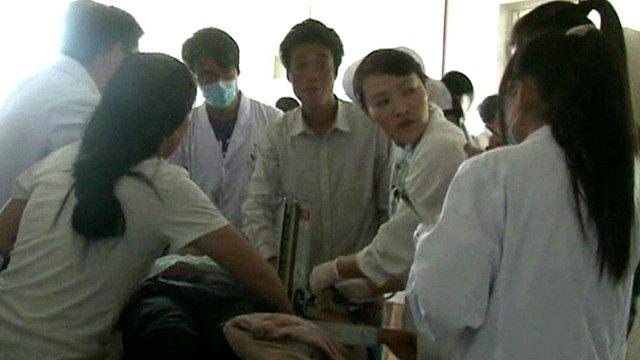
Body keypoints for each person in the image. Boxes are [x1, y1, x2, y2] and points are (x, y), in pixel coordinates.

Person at [0, 53, 291, 359]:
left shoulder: (60, 160)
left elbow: (4, 237)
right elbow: (257, 274)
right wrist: (296, 323)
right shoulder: (163, 182)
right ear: (175, 125)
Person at [405, 1, 639, 358]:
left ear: (522, 91)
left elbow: (444, 307)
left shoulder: (496, 174)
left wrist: (429, 238)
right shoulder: (621, 187)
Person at [308, 49, 467, 300]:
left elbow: (400, 241)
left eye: (409, 90)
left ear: (426, 89)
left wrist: (333, 270)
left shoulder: (441, 147)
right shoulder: (407, 146)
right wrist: (372, 285)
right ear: (367, 113)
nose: (401, 108)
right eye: (383, 102)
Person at [242, 19, 391, 269]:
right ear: (289, 75)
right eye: (301, 66)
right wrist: (272, 262)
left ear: (335, 70)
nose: (312, 76)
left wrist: (379, 271)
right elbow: (257, 206)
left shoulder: (371, 130)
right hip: (296, 281)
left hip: (360, 278)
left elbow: (389, 206)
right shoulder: (277, 135)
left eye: (322, 64)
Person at [0, 0, 143, 207]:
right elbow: (94, 186)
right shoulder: (77, 101)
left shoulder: (41, 80)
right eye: (131, 59)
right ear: (114, 52)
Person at [172, 28, 282, 230]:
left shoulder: (273, 121)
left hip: (258, 241)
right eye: (208, 75)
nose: (220, 82)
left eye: (226, 71)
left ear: (237, 70)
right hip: (199, 241)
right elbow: (175, 190)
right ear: (195, 78)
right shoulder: (184, 128)